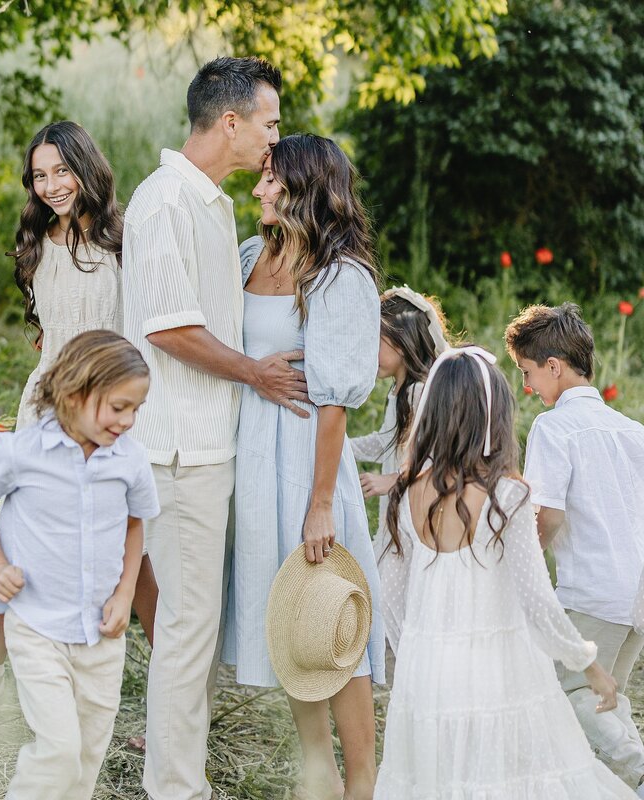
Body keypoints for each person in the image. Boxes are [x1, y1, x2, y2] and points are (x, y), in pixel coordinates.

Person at [123, 56, 307, 800]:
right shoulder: (164, 200)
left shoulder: (216, 204)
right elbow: (170, 330)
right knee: (187, 628)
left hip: (206, 443)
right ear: (229, 122)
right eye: (269, 123)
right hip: (176, 447)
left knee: (190, 626)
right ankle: (176, 788)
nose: (274, 139)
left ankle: (177, 773)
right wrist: (256, 373)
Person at [0, 120, 158, 730]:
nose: (52, 186)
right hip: (45, 402)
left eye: (62, 171)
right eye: (40, 176)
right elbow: (50, 331)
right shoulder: (37, 241)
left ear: (87, 168)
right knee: (15, 540)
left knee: (129, 550)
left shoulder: (123, 241)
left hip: (109, 404)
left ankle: (161, 701)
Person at [375, 345, 636, 799]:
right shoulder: (506, 497)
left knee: (444, 780)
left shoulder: (406, 495)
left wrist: (422, 650)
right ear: (489, 415)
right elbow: (538, 601)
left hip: (429, 676)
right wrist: (588, 664)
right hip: (498, 671)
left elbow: (392, 596)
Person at [221, 133, 385, 800]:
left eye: (272, 182)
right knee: (296, 623)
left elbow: (334, 402)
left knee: (332, 616)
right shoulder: (251, 256)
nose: (258, 191)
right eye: (260, 180)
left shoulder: (341, 276)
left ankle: (363, 780)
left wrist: (322, 503)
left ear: (306, 189)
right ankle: (318, 771)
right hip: (256, 462)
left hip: (310, 460)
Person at [0, 329, 160, 800]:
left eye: (136, 408)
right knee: (59, 751)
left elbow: (136, 525)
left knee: (87, 758)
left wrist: (126, 592)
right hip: (37, 627)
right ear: (74, 394)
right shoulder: (20, 452)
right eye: (118, 407)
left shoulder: (130, 460)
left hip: (101, 637)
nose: (129, 420)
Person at [505, 303, 644, 794]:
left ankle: (639, 773)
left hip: (591, 589)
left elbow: (550, 515)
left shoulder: (554, 428)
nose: (526, 387)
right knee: (609, 699)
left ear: (554, 367)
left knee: (570, 692)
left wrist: (524, 563)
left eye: (527, 373)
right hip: (634, 599)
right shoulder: (633, 432)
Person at [350, 287, 449, 560]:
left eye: (376, 340)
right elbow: (385, 443)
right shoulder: (399, 392)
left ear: (402, 341)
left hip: (417, 516)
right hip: (397, 515)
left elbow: (440, 461)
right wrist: (337, 447)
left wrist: (393, 480)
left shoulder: (421, 393)